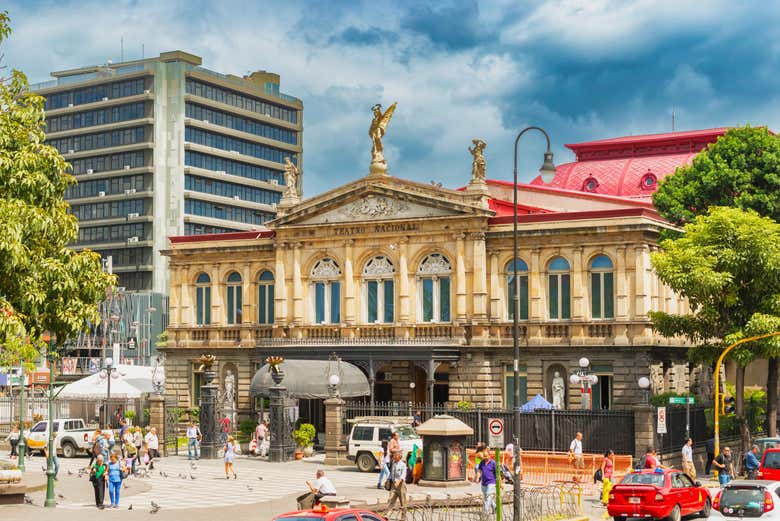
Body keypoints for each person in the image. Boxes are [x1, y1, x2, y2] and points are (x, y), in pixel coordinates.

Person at [476, 446, 498, 514]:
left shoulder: (493, 463)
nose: (484, 458)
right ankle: (495, 507)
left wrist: (500, 483)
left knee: (489, 495)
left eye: (486, 456)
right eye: (484, 456)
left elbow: (497, 473)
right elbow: (479, 470)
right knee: (487, 497)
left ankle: (485, 511)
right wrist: (477, 478)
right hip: (484, 482)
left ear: (489, 455)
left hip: (491, 482)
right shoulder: (482, 462)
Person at [387, 450, 408, 520]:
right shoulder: (393, 463)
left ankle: (403, 516)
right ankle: (388, 514)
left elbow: (403, 475)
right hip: (393, 485)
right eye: (393, 455)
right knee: (391, 499)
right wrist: (388, 480)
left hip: (401, 485)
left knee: (403, 501)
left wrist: (399, 482)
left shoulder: (403, 465)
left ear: (399, 457)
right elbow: (391, 473)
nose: (394, 457)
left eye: (395, 456)